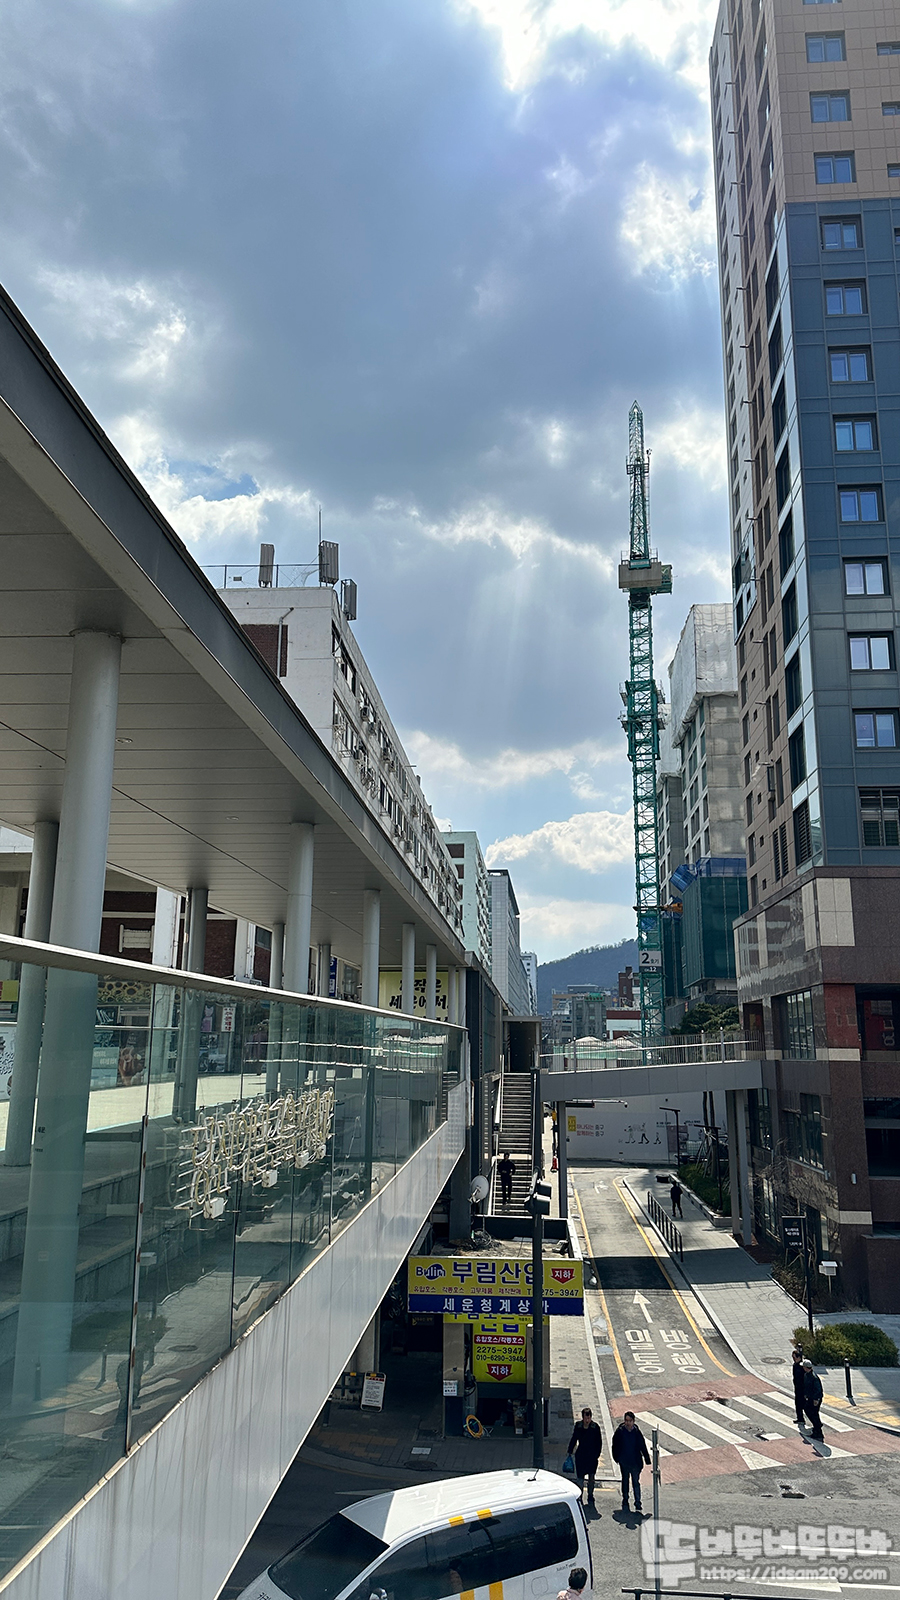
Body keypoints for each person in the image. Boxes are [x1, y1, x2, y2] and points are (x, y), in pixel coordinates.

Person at [611, 1410, 651, 1512]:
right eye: (626, 1420)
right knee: (625, 1480)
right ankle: (625, 1498)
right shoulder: (620, 1432)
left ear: (633, 1421)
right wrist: (617, 1458)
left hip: (635, 1462)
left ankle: (638, 1502)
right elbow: (615, 1445)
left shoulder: (637, 1432)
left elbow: (642, 1445)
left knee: (635, 1481)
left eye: (630, 1421)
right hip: (624, 1462)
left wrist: (647, 1459)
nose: (628, 1423)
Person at [567, 1406, 603, 1506]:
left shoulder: (595, 1427)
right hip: (581, 1456)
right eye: (585, 1418)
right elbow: (574, 1438)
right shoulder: (578, 1426)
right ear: (582, 1417)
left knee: (591, 1478)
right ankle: (580, 1496)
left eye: (589, 1418)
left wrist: (597, 1455)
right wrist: (570, 1450)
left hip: (592, 1457)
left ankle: (590, 1495)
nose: (587, 1420)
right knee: (580, 1479)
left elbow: (599, 1443)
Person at [802, 1358, 824, 1441]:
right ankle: (817, 1426)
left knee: (813, 1413)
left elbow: (818, 1389)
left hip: (815, 1399)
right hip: (810, 1397)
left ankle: (818, 1430)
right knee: (810, 1411)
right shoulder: (807, 1375)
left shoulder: (814, 1377)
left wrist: (816, 1399)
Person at [791, 1347, 806, 1426]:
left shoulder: (802, 1367)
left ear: (799, 1358)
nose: (794, 1359)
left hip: (802, 1389)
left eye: (794, 1357)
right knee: (798, 1404)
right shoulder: (795, 1365)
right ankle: (800, 1418)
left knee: (804, 1406)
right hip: (797, 1388)